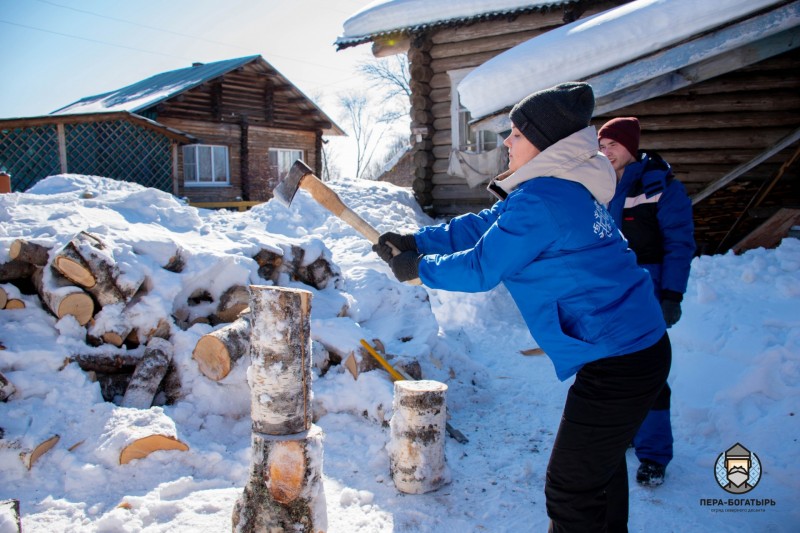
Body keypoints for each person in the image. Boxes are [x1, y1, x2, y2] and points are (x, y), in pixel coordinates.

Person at [374, 82, 671, 532]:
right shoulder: (556, 188)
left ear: (546, 140)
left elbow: (480, 267)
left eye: (516, 132)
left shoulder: (546, 199)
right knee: (598, 472)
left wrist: (421, 268)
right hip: (631, 349)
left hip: (620, 360)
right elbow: (482, 226)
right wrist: (418, 240)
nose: (506, 141)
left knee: (570, 485)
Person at [598, 117, 695, 487]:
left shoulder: (660, 187)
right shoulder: (598, 184)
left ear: (630, 147)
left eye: (612, 145)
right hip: (607, 295)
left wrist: (672, 294)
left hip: (648, 293)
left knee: (649, 372)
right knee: (611, 368)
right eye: (601, 145)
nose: (605, 151)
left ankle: (653, 454)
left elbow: (679, 243)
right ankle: (625, 432)